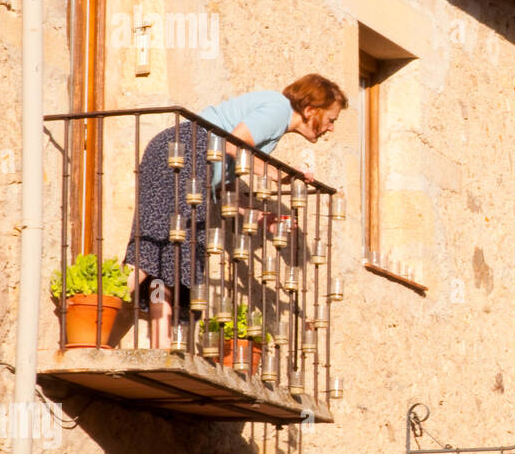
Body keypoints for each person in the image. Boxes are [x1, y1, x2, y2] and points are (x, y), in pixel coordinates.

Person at [125, 74, 348, 348]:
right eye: (331, 119)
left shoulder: (273, 124)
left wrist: (260, 218)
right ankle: (105, 307)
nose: (331, 128)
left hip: (188, 158)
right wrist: (277, 175)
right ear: (311, 110)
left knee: (173, 255)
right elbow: (231, 144)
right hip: (185, 153)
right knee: (155, 249)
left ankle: (162, 344)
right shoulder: (279, 109)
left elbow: (226, 186)